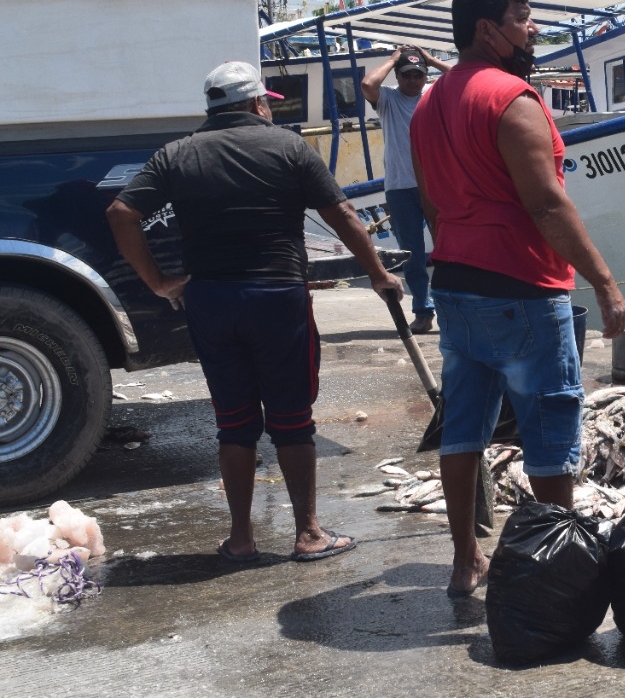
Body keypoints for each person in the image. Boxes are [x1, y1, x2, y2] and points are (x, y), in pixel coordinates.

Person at [107, 60, 404, 563]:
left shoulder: (177, 153)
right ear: (256, 103)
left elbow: (121, 212)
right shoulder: (287, 146)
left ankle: (242, 538)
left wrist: (159, 282)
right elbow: (343, 214)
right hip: (276, 300)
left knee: (234, 422)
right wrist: (378, 273)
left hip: (211, 302)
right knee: (292, 420)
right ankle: (308, 534)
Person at [409, 0, 625, 597]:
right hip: (523, 289)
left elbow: (430, 202)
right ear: (488, 29)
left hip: (454, 284)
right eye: (522, 17)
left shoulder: (428, 104)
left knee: (464, 426)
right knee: (551, 423)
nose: (533, 28)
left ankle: (463, 561)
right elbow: (548, 205)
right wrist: (607, 282)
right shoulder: (512, 99)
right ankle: (554, 567)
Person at [361, 45, 452, 334]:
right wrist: (391, 60)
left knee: (449, 250)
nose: (413, 80)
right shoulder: (387, 98)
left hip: (436, 184)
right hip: (400, 188)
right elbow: (367, 84)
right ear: (398, 77)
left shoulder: (434, 94)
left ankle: (451, 308)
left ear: (425, 76)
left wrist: (431, 59)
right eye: (406, 75)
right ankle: (423, 312)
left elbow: (464, 78)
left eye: (418, 74)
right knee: (411, 254)